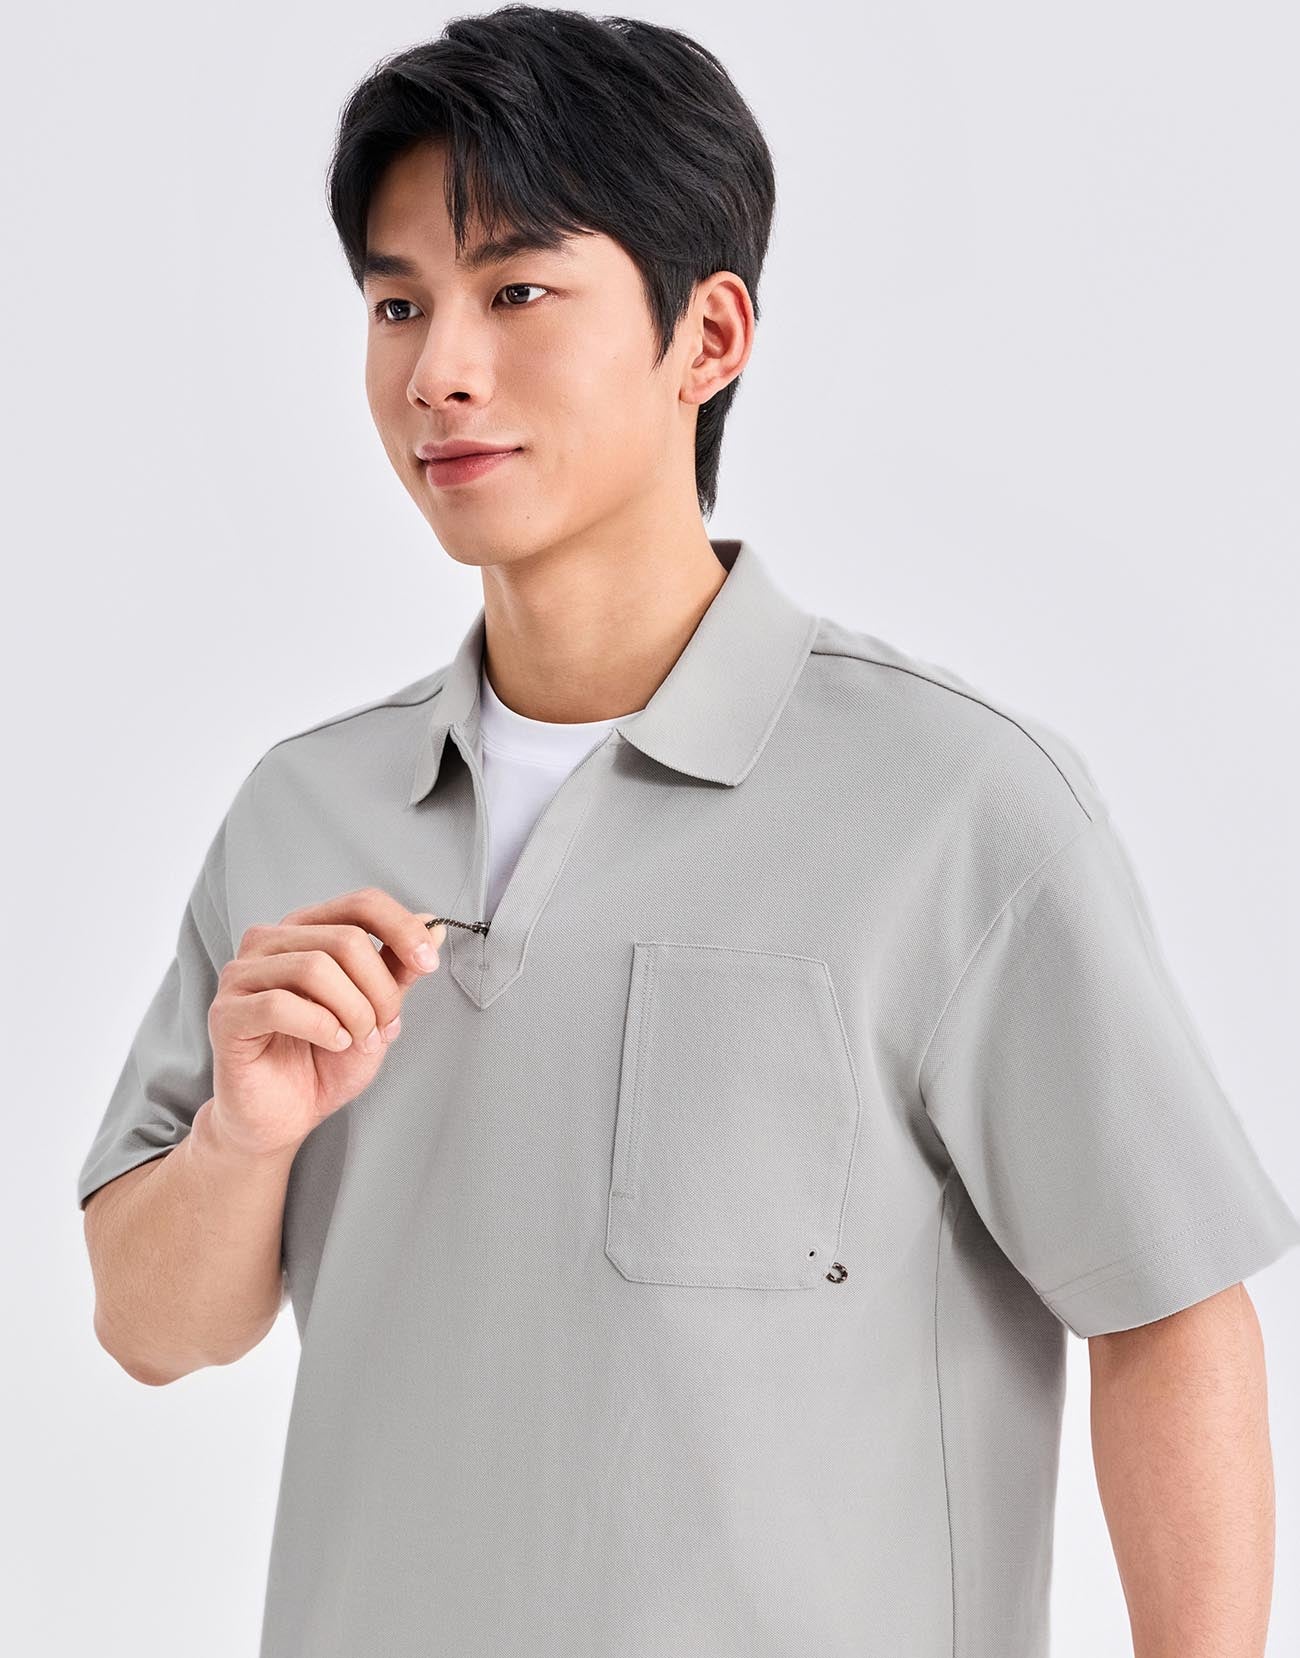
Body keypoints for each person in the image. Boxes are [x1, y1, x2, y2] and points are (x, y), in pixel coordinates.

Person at [77, 8, 1299, 1656]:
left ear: (707, 334)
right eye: (397, 303)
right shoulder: (307, 807)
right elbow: (151, 1328)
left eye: (517, 291)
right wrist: (243, 1137)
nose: (438, 370)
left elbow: (1167, 1309)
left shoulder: (955, 803)